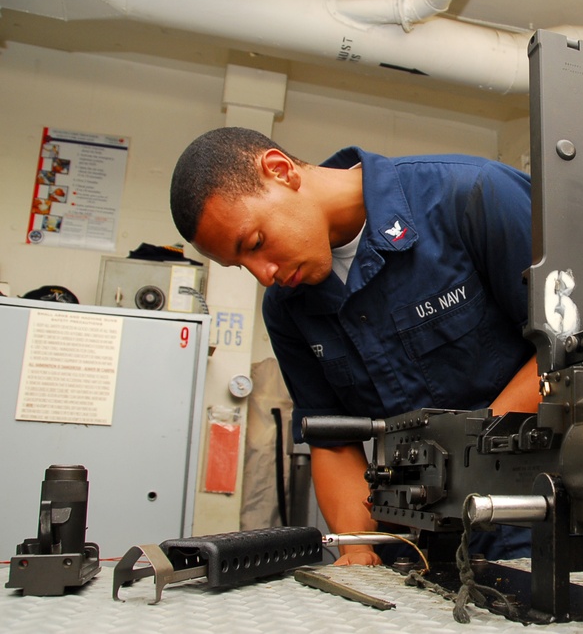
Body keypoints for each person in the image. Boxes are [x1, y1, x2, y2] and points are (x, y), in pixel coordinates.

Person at [170, 127, 540, 565]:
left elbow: (571, 352)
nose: (263, 274)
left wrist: (465, 463)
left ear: (280, 170)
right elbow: (333, 439)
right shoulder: (288, 309)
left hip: (537, 521)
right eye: (242, 265)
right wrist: (360, 549)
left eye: (255, 244)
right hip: (419, 544)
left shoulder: (472, 195)